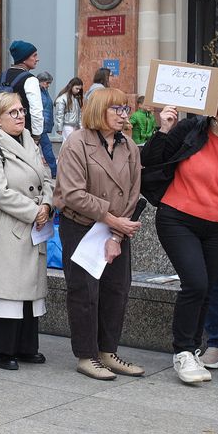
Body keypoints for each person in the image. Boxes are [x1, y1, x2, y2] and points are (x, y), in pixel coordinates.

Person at [141, 82, 218, 384]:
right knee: (195, 283)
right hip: (177, 218)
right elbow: (150, 162)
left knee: (207, 286)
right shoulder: (190, 130)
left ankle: (196, 350)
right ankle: (183, 351)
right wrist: (164, 128)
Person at [53, 89, 145, 380]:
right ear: (98, 111)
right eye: (116, 109)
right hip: (81, 226)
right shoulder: (76, 143)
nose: (122, 114)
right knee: (84, 292)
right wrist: (111, 220)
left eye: (125, 109)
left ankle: (108, 351)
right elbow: (72, 193)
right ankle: (87, 355)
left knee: (116, 290)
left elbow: (133, 192)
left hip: (116, 229)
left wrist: (117, 235)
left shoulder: (128, 146)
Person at [0, 92, 54, 370]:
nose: (20, 116)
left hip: (34, 221)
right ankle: (0, 348)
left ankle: (25, 346)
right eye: (13, 112)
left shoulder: (30, 142)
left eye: (21, 111)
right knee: (5, 287)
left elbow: (47, 177)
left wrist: (47, 204)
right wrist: (34, 211)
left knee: (29, 287)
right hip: (5, 224)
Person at [0, 41, 45, 148]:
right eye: (34, 55)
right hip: (22, 133)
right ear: (24, 59)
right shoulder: (30, 79)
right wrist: (36, 136)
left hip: (1, 131)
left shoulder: (1, 77)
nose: (37, 59)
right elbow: (36, 110)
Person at [37, 71, 57, 177]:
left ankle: (54, 171)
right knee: (47, 148)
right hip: (40, 125)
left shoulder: (44, 91)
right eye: (47, 82)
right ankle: (55, 171)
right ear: (41, 81)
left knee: (41, 148)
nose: (48, 85)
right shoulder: (38, 92)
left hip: (42, 125)